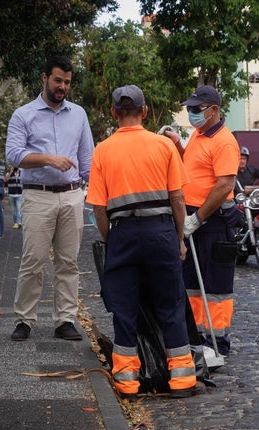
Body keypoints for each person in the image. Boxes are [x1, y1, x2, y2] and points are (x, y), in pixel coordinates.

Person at [87, 85, 201, 399]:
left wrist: (113, 239)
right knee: (170, 304)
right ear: (145, 111)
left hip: (123, 232)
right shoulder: (163, 146)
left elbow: (98, 207)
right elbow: (178, 198)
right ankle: (182, 381)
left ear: (113, 113)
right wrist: (178, 238)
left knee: (124, 309)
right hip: (161, 232)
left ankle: (127, 383)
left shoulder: (103, 150)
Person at [5, 55, 94, 341]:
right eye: (57, 80)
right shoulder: (23, 114)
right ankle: (24, 320)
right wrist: (48, 160)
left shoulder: (79, 114)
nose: (62, 87)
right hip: (37, 196)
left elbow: (88, 160)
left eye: (67, 82)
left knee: (69, 262)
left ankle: (65, 320)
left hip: (71, 196)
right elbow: (14, 154)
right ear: (44, 78)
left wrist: (98, 192)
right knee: (33, 261)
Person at [162, 85, 242, 358]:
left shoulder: (224, 141)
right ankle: (198, 337)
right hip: (196, 218)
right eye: (189, 109)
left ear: (214, 110)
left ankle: (218, 343)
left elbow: (224, 185)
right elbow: (191, 166)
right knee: (193, 285)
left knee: (216, 286)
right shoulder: (198, 135)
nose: (191, 113)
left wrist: (198, 218)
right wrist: (177, 144)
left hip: (215, 222)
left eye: (196, 109)